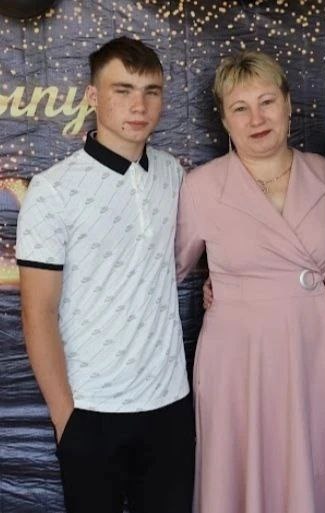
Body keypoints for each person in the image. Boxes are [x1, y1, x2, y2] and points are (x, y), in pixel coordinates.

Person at [174, 51, 325, 513]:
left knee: (311, 469)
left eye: (267, 102)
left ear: (289, 104)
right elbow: (170, 270)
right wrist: (227, 284)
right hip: (239, 361)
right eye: (240, 108)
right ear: (224, 119)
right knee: (242, 471)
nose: (256, 119)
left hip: (314, 352)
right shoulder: (200, 187)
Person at [16, 37, 194, 513]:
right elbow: (37, 313)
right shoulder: (53, 191)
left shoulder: (173, 174)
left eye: (151, 91)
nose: (139, 106)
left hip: (170, 406)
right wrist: (66, 417)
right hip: (91, 411)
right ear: (93, 96)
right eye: (123, 90)